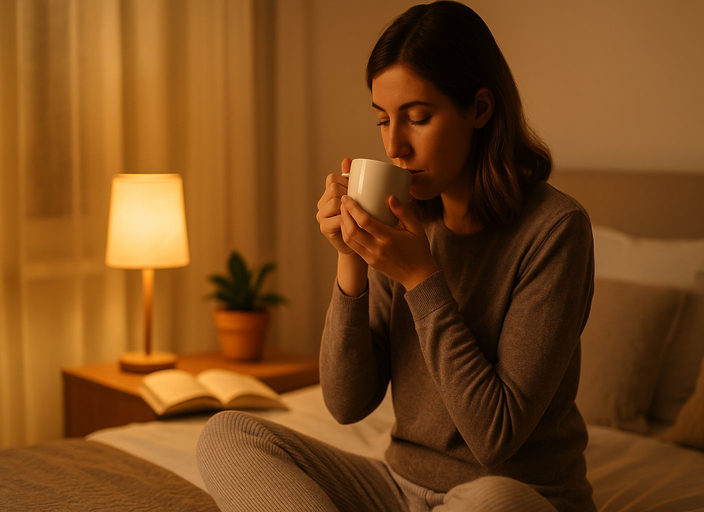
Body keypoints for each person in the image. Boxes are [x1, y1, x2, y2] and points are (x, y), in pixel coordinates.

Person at [197, 2, 595, 511]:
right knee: (228, 434)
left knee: (491, 501)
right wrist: (352, 261)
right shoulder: (407, 219)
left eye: (418, 118)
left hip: (513, 495)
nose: (395, 147)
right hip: (400, 489)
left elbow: (494, 436)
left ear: (479, 109)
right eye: (384, 120)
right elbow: (347, 404)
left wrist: (421, 277)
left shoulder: (555, 230)